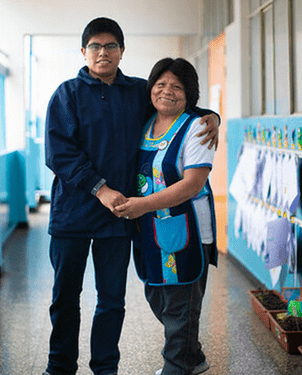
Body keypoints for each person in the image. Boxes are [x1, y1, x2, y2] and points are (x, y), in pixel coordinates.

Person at [43, 18, 220, 375]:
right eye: (95, 46)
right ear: (83, 52)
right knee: (65, 298)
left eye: (110, 46)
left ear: (122, 51)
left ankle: (105, 368)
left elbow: (174, 104)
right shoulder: (67, 94)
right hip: (72, 215)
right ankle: (59, 367)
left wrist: (212, 116)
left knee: (111, 300)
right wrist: (101, 189)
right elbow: (59, 153)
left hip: (118, 219)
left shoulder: (137, 92)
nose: (102, 52)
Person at [114, 58, 217, 375]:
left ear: (190, 94)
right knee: (157, 294)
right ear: (151, 89)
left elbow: (193, 183)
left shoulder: (197, 127)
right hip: (149, 230)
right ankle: (193, 355)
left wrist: (141, 205)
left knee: (180, 301)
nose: (167, 91)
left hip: (185, 230)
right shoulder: (146, 123)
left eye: (177, 86)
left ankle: (178, 365)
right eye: (160, 84)